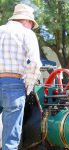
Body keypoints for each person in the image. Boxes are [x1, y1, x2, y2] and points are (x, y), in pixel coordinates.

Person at [0, 3, 42, 150]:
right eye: (32, 23)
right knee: (10, 137)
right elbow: (35, 63)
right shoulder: (27, 34)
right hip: (14, 84)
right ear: (27, 21)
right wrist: (28, 87)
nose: (31, 27)